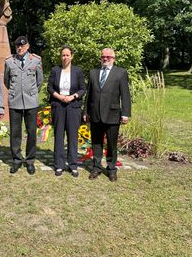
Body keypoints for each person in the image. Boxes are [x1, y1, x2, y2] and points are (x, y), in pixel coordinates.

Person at [84, 48, 131, 182]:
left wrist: (126, 113)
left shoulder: (121, 73)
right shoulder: (93, 72)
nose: (105, 59)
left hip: (112, 114)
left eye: (108, 57)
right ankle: (96, 167)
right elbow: (89, 95)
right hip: (95, 114)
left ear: (113, 59)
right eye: (103, 56)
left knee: (111, 144)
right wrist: (86, 112)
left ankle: (111, 169)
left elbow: (125, 94)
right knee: (96, 143)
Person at [4, 36, 43, 175]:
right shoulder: (9, 62)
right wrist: (17, 92)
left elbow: (39, 81)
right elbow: (7, 81)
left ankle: (30, 160)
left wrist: (30, 93)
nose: (20, 48)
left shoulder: (36, 60)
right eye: (17, 46)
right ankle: (16, 159)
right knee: (15, 132)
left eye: (22, 46)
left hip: (31, 101)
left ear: (27, 46)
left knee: (31, 132)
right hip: (15, 101)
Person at [47, 46, 86, 177]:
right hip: (58, 106)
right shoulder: (55, 70)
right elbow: (50, 87)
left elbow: (82, 89)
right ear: (61, 56)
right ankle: (59, 165)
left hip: (73, 107)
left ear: (72, 56)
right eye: (63, 55)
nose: (65, 57)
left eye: (67, 55)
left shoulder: (78, 71)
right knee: (59, 135)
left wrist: (72, 96)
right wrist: (59, 97)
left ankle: (73, 165)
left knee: (72, 136)